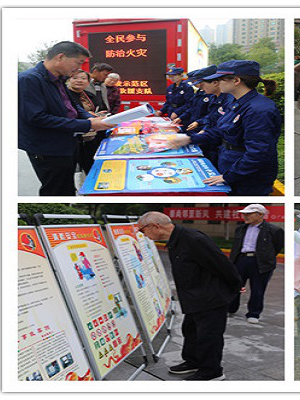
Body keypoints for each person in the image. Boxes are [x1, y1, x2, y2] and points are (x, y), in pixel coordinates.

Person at [137, 211, 241, 381]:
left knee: (209, 336)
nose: (143, 235)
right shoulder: (176, 240)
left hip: (210, 297)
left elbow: (222, 264)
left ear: (155, 226)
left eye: (142, 230)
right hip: (193, 297)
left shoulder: (193, 239)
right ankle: (193, 362)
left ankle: (212, 371)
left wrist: (235, 286)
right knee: (191, 331)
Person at [168, 60, 282, 196]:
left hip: (248, 178)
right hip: (230, 164)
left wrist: (228, 176)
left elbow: (258, 152)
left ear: (236, 81)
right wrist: (189, 139)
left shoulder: (259, 109)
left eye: (220, 79)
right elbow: (221, 130)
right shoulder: (235, 102)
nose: (217, 83)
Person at [18, 41, 115, 196]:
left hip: (67, 142)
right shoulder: (29, 80)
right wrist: (86, 125)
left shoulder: (59, 79)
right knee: (56, 190)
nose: (79, 68)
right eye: (78, 62)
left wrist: (89, 117)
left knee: (67, 186)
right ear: (61, 57)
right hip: (47, 147)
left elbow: (71, 105)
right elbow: (37, 118)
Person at [228, 204, 284, 324]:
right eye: (244, 214)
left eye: (249, 214)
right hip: (241, 260)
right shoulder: (241, 228)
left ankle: (253, 313)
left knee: (258, 289)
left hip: (260, 262)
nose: (245, 216)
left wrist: (266, 257)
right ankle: (230, 308)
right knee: (235, 285)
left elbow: (277, 246)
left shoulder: (273, 230)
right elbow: (236, 246)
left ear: (260, 215)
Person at [184, 65, 235, 167]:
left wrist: (193, 138)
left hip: (220, 144)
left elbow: (221, 128)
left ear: (215, 83)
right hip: (211, 139)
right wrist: (204, 129)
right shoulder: (214, 97)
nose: (201, 88)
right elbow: (211, 117)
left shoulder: (230, 100)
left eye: (202, 84)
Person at [66, 69, 102, 175]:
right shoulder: (65, 95)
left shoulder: (88, 95)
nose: (79, 80)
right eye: (75, 78)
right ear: (69, 80)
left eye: (83, 78)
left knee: (91, 161)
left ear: (88, 82)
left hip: (91, 133)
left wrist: (96, 114)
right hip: (75, 135)